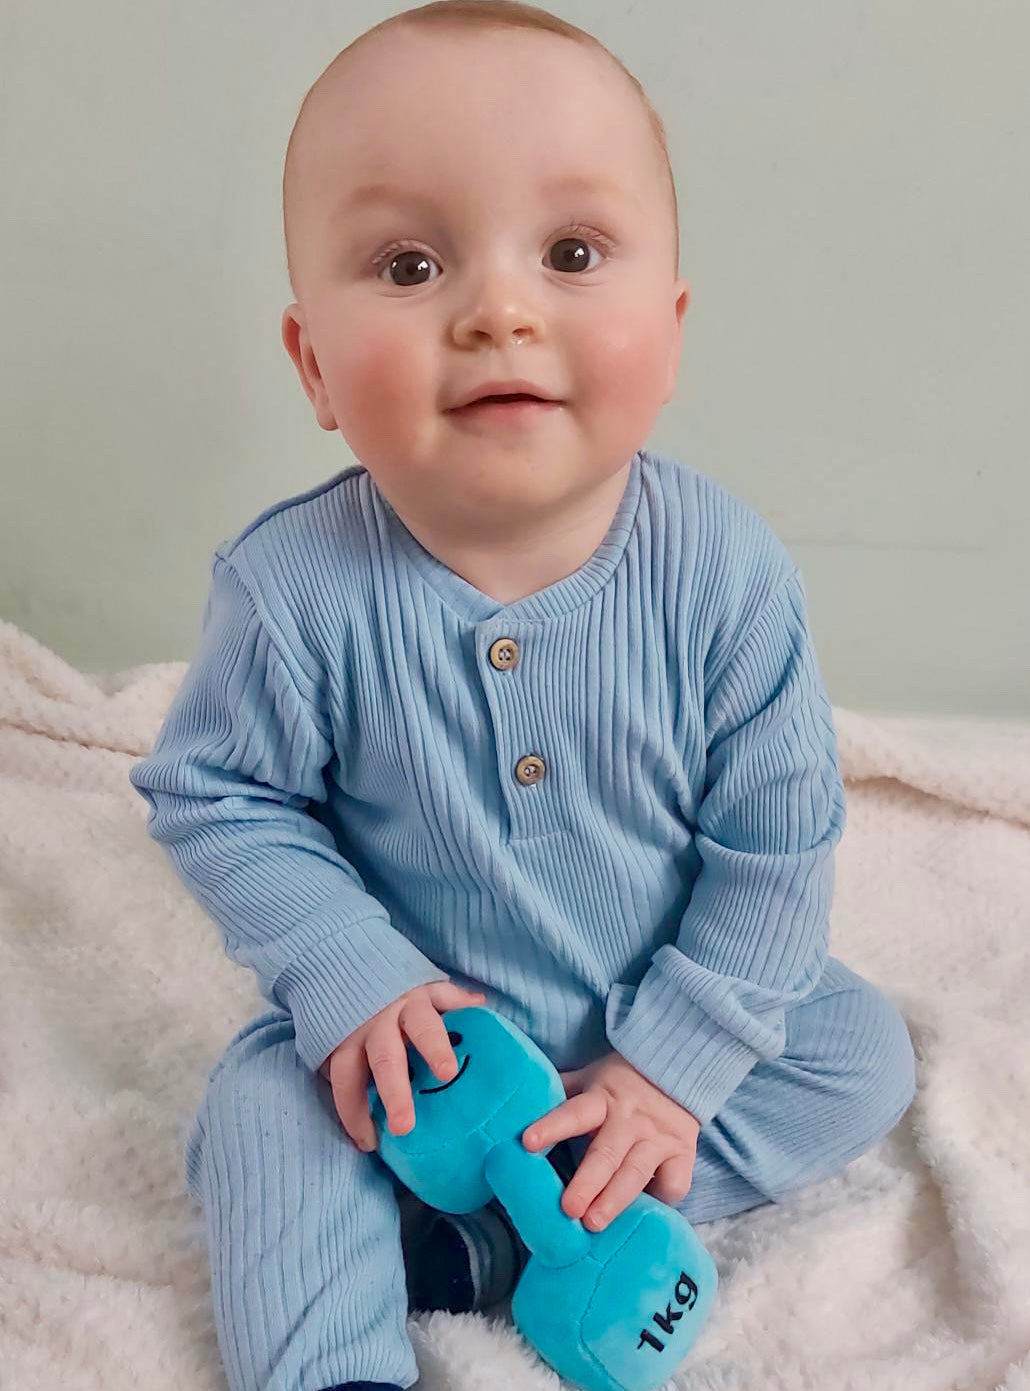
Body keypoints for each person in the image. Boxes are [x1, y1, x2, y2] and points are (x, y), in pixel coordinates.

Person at [129, 4, 916, 1389]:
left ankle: (498, 1236)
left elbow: (774, 851)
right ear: (313, 363)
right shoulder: (294, 588)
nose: (498, 309)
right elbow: (217, 795)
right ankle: (337, 1356)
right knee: (264, 1109)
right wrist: (348, 974)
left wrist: (669, 1065)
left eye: (569, 253)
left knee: (856, 1052)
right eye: (411, 262)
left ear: (666, 340)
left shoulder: (722, 575)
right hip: (418, 1051)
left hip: (644, 993)